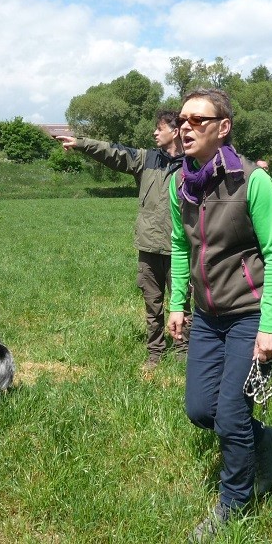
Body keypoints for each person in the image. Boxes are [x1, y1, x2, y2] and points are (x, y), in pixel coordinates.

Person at [166, 88, 272, 541]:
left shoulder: (253, 181)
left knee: (232, 415)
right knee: (202, 411)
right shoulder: (179, 183)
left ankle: (234, 504)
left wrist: (270, 326)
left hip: (250, 311)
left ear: (224, 127)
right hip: (208, 314)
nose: (186, 127)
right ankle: (267, 441)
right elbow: (182, 246)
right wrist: (178, 302)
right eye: (182, 119)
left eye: (198, 120)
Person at [57, 110, 191, 370]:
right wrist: (82, 143)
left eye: (159, 128)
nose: (154, 132)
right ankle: (155, 353)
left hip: (180, 249)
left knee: (182, 302)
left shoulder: (194, 165)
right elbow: (114, 152)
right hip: (148, 246)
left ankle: (183, 351)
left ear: (175, 132)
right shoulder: (146, 159)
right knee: (152, 304)